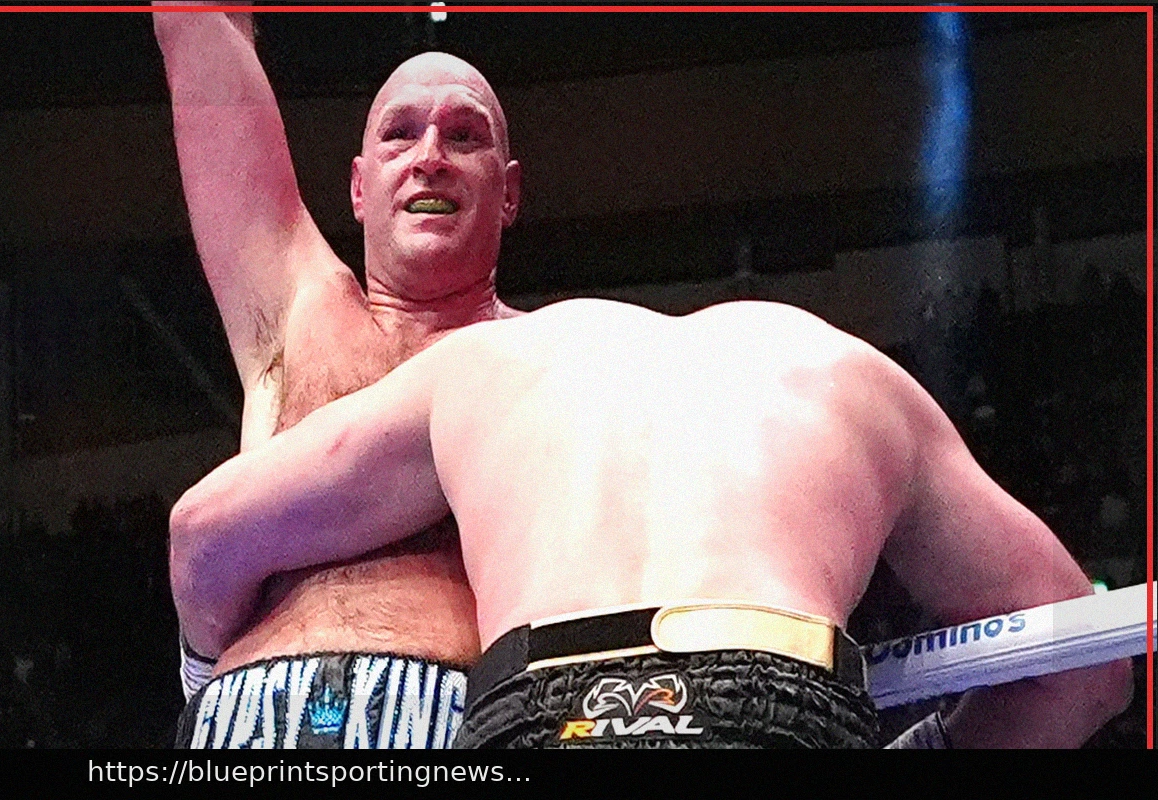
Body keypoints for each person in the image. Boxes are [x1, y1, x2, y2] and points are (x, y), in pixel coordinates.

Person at [168, 297, 1134, 748]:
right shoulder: (846, 370)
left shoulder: (491, 366)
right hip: (782, 688)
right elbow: (1085, 666)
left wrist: (204, 676)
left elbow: (204, 527)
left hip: (545, 704)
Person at [153, 4, 521, 749]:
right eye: (400, 133)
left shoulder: (548, 361)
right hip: (248, 718)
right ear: (359, 187)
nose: (430, 156)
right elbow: (193, 25)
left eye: (464, 135)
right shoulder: (293, 307)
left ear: (509, 192)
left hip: (460, 721)